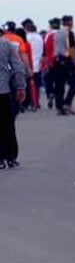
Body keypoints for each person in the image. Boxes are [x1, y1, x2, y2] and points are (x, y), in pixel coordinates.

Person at [0, 33, 26, 169]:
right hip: (3, 90)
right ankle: (10, 157)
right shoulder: (7, 44)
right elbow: (17, 67)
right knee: (7, 124)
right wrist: (21, 86)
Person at [23, 19, 44, 110]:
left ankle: (27, 103)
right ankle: (36, 102)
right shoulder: (39, 37)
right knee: (36, 85)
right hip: (37, 64)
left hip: (29, 64)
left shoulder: (27, 38)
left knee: (27, 86)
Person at [43, 18, 60, 109]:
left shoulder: (48, 35)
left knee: (48, 80)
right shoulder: (63, 34)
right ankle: (58, 101)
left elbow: (45, 50)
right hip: (61, 61)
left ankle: (50, 93)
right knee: (59, 81)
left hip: (51, 61)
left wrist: (46, 63)